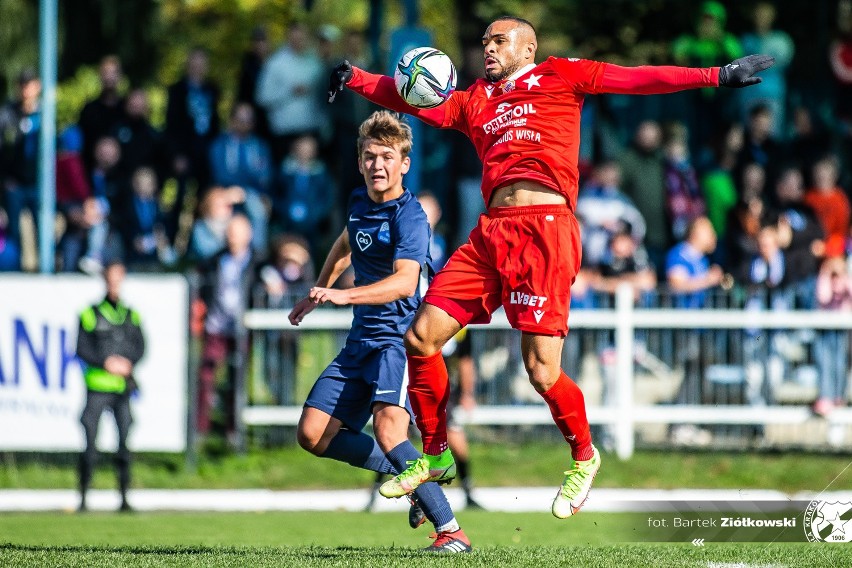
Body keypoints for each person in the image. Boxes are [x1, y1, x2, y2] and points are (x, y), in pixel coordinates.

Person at [327, 15, 773, 518]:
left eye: (499, 40)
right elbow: (414, 99)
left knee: (542, 371)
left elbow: (638, 77)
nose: (488, 48)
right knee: (420, 338)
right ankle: (435, 453)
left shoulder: (562, 75)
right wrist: (357, 79)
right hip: (492, 232)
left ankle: (584, 457)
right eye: (484, 42)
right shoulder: (475, 100)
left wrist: (715, 75)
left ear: (528, 46)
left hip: (546, 233)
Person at [288, 111, 471, 553]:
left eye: (387, 157)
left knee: (391, 432)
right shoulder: (358, 202)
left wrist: (344, 297)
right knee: (312, 434)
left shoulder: (410, 217)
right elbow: (347, 242)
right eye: (369, 156)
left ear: (404, 163)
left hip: (397, 341)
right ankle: (410, 478)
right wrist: (320, 288)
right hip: (361, 343)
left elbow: (406, 281)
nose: (377, 165)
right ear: (360, 161)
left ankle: (451, 533)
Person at [75, 260, 145, 512]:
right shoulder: (90, 313)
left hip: (121, 389)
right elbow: (81, 348)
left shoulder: (130, 314)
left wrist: (127, 364)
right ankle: (83, 497)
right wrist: (106, 362)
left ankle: (124, 498)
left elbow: (140, 347)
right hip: (97, 387)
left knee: (124, 446)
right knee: (90, 446)